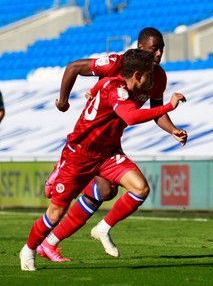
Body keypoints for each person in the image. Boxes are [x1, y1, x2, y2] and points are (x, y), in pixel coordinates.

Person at [19, 48, 187, 271]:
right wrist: (169, 106)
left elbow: (102, 86)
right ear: (137, 75)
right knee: (56, 212)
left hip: (108, 154)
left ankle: (103, 228)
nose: (153, 79)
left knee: (140, 188)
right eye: (149, 75)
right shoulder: (117, 90)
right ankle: (29, 249)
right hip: (79, 155)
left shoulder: (117, 82)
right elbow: (130, 116)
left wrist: (92, 90)